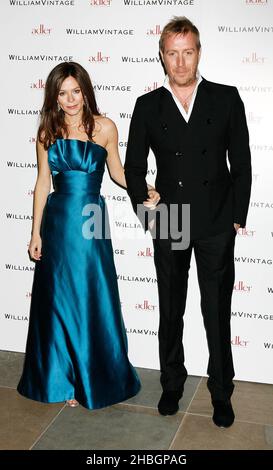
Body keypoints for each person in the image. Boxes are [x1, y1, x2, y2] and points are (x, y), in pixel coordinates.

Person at [124, 17, 251, 427]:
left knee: (217, 312)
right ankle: (172, 385)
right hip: (171, 218)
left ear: (199, 52)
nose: (180, 62)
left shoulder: (226, 98)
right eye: (172, 53)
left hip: (216, 220)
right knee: (170, 309)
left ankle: (221, 391)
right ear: (162, 56)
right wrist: (146, 204)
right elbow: (133, 166)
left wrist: (236, 217)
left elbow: (242, 163)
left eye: (188, 51)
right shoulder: (148, 105)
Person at [17, 61, 160, 409]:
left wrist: (145, 188)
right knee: (59, 300)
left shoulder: (105, 127)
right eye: (62, 93)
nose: (70, 99)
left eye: (75, 91)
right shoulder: (46, 131)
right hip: (59, 220)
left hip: (91, 218)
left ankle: (90, 376)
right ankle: (63, 379)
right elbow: (41, 183)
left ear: (85, 91)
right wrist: (35, 232)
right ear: (54, 96)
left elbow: (118, 173)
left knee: (89, 295)